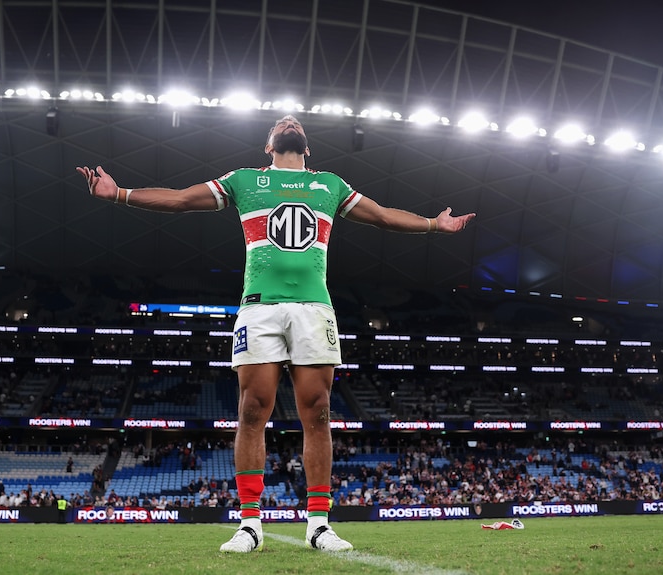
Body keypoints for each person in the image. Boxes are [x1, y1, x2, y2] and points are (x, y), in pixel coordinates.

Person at [77, 114, 475, 553]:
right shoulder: (245, 180)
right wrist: (120, 194)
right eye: (280, 123)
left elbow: (382, 216)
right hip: (259, 308)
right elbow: (180, 200)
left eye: (296, 121)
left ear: (307, 147)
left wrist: (436, 225)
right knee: (252, 410)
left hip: (314, 308)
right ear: (270, 146)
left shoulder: (330, 184)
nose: (289, 121)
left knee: (318, 410)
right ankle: (250, 525)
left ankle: (319, 525)